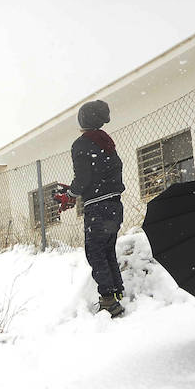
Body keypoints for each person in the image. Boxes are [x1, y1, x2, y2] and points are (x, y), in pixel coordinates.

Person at [66, 99, 127, 317]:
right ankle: (116, 291)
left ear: (84, 119)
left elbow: (83, 178)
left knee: (95, 252)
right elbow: (102, 173)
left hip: (97, 207)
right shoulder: (106, 142)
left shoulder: (82, 144)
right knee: (107, 249)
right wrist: (76, 191)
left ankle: (109, 301)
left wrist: (70, 194)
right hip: (114, 206)